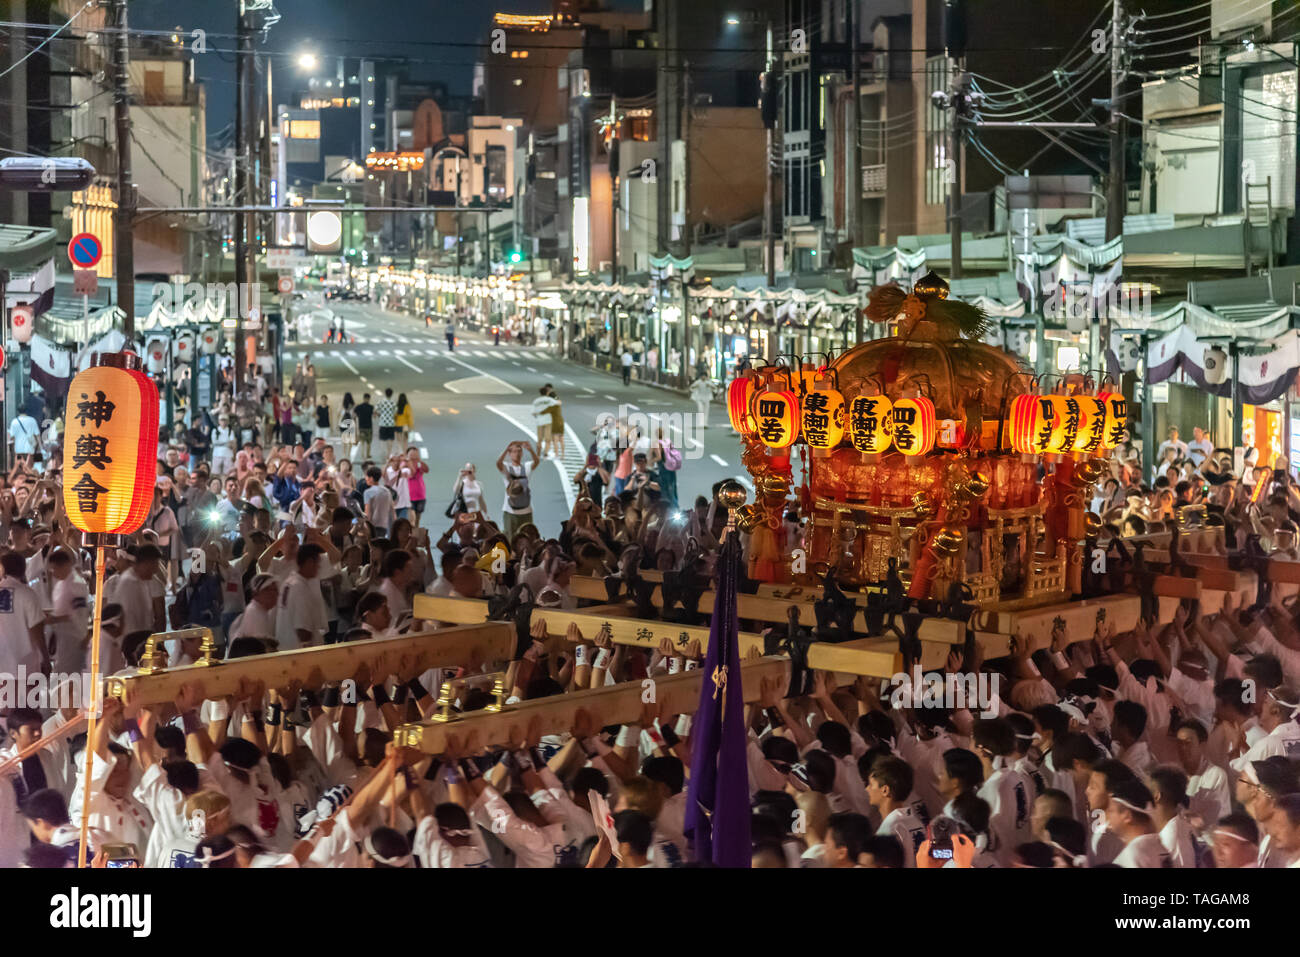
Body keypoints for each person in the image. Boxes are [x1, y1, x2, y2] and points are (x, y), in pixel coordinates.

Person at [497, 440, 539, 540]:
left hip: (526, 511)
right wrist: (506, 448)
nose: (517, 454)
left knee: (528, 539)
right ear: (510, 454)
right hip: (510, 512)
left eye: (519, 451)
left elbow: (536, 462)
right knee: (510, 539)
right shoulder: (507, 467)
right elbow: (498, 463)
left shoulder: (527, 467)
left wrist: (531, 450)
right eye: (514, 452)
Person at [531, 387, 558, 456]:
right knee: (548, 439)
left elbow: (533, 413)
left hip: (539, 422)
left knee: (539, 439)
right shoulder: (550, 400)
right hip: (548, 421)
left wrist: (538, 416)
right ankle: (546, 452)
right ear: (547, 392)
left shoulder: (536, 401)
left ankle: (538, 454)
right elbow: (558, 403)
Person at [375, 389, 398, 460]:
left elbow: (375, 410)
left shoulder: (381, 402)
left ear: (385, 394)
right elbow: (396, 412)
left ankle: (384, 454)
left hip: (383, 423)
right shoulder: (393, 403)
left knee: (382, 440)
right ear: (391, 394)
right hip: (391, 423)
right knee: (390, 440)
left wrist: (380, 415)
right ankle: (389, 454)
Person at [354, 394, 375, 461]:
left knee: (362, 442)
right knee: (369, 442)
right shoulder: (371, 407)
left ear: (363, 398)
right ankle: (367, 454)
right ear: (369, 399)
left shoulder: (359, 407)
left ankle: (363, 455)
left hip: (361, 427)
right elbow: (374, 415)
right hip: (369, 427)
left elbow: (354, 415)